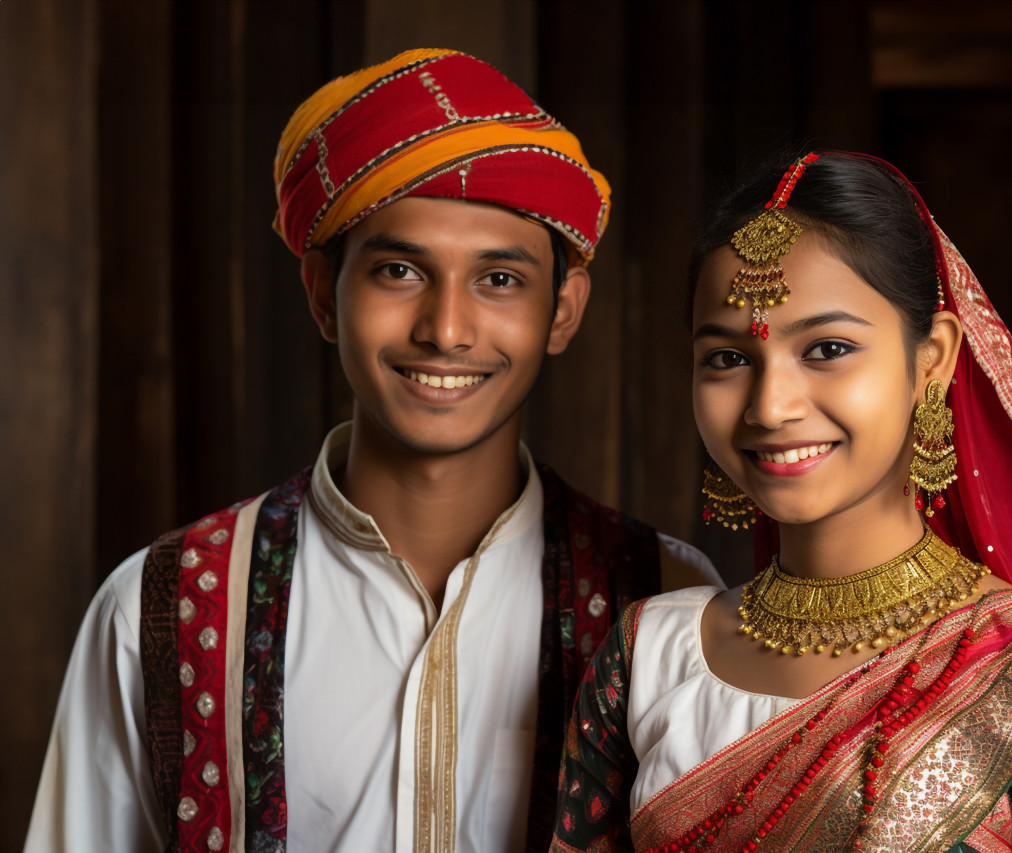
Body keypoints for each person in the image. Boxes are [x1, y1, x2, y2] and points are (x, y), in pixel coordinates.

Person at [24, 48, 717, 853]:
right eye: (399, 270)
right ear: (323, 295)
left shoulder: (669, 607)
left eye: (499, 280)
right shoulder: (158, 606)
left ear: (563, 310)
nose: (446, 328)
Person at [549, 151, 1012, 852]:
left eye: (827, 348)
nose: (770, 406)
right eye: (728, 358)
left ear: (934, 359)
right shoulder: (647, 653)